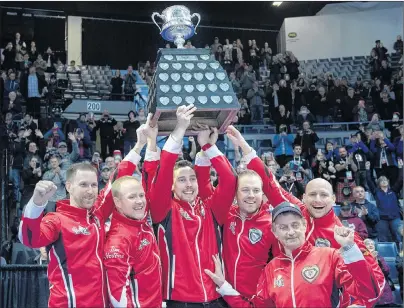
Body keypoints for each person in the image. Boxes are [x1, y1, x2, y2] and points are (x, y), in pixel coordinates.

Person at [229, 129, 385, 307]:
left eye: (323, 195)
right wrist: (245, 147)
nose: (317, 200)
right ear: (303, 197)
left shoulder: (343, 236)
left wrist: (359, 304)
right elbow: (271, 185)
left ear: (334, 199)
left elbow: (376, 282)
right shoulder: (297, 211)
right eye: (312, 194)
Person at [18, 124, 150, 308]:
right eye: (83, 185)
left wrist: (139, 145)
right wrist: (36, 204)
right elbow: (28, 239)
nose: (90, 191)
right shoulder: (56, 220)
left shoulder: (97, 212)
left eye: (93, 185)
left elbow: (118, 177)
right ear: (69, 186)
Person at [205, 202, 380, 308]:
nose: (290, 232)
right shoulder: (270, 269)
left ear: (304, 225)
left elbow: (368, 293)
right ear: (274, 231)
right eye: (283, 227)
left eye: (295, 225)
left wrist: (350, 249)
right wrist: (224, 287)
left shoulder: (330, 256)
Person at [148, 104, 237, 307]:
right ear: (171, 185)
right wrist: (179, 130)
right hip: (179, 300)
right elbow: (162, 173)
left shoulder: (211, 208)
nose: (189, 185)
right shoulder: (164, 209)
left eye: (192, 179)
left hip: (215, 297)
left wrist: (207, 146)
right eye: (181, 180)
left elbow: (229, 179)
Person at [196, 125, 276, 298]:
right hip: (222, 296)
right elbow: (204, 187)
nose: (251, 196)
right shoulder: (226, 214)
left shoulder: (272, 224)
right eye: (245, 190)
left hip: (257, 300)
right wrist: (205, 149)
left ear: (263, 194)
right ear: (236, 193)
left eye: (256, 190)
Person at [104, 114, 162, 307]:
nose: (140, 202)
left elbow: (150, 176)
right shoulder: (119, 239)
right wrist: (138, 146)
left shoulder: (139, 219)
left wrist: (150, 143)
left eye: (141, 195)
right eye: (132, 197)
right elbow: (116, 293)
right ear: (117, 204)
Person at [365, 161, 403, 245]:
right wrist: (367, 169)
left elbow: (401, 179)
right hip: (382, 219)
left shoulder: (394, 191)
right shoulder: (376, 192)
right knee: (383, 239)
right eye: (381, 180)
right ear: (379, 183)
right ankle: (384, 257)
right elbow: (369, 180)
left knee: (398, 237)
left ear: (388, 182)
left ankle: (401, 255)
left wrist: (401, 167)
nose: (384, 181)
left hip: (395, 218)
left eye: (385, 180)